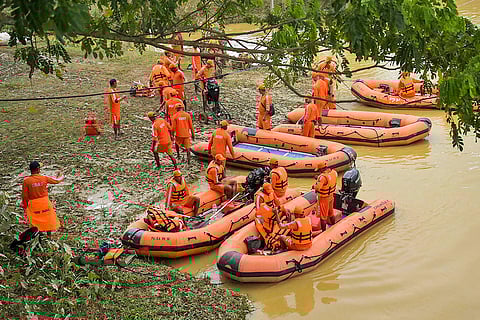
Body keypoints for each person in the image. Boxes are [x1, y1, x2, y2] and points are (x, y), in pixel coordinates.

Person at [21, 161, 64, 232]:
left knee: (36, 220)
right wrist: (62, 175)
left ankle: (39, 234)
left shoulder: (26, 181)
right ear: (38, 169)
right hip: (44, 202)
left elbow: (25, 196)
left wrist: (25, 206)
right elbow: (57, 181)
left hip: (33, 204)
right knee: (48, 219)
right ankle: (48, 236)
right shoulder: (44, 178)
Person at [312, 161, 338, 231]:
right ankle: (334, 225)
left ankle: (323, 232)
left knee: (323, 216)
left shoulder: (322, 177)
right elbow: (329, 181)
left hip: (323, 198)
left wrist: (314, 186)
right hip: (331, 196)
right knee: (331, 212)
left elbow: (318, 188)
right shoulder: (334, 172)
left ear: (321, 169)